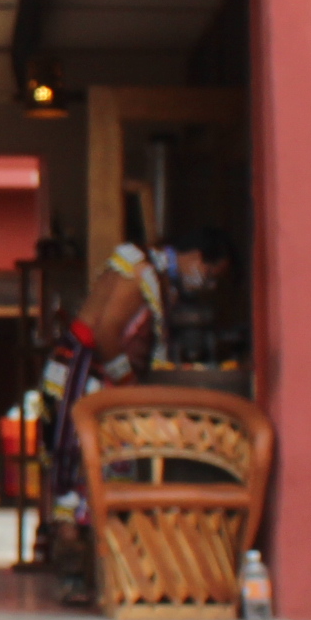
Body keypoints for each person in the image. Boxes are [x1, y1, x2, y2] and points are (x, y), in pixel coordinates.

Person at [40, 229, 234, 571]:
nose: (208, 284)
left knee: (90, 470)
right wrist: (128, 383)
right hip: (84, 376)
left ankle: (91, 563)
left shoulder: (154, 275)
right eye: (210, 274)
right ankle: (78, 558)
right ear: (196, 256)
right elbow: (106, 332)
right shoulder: (139, 273)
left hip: (93, 375)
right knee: (84, 468)